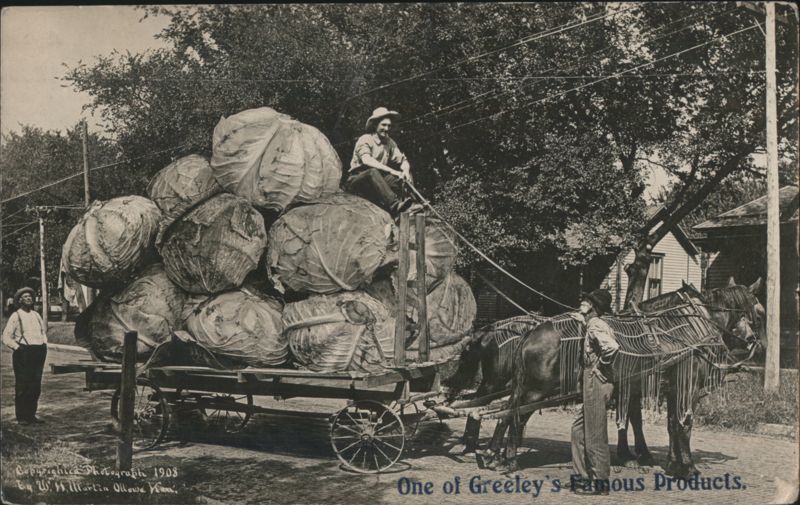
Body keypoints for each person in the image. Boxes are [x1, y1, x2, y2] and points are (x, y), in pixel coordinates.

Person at [570, 288, 618, 495]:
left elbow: (612, 347)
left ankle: (601, 483)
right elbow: (588, 324)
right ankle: (581, 478)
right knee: (578, 431)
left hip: (596, 380)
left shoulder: (596, 324)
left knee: (595, 434)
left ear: (593, 307)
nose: (582, 301)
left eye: (587, 300)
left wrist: (600, 366)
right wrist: (581, 318)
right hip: (592, 379)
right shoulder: (592, 323)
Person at [346, 107, 421, 215]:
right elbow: (367, 160)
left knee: (402, 177)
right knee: (372, 172)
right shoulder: (365, 139)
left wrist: (405, 170)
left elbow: (403, 160)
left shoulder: (389, 142)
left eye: (389, 126)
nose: (387, 128)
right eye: (383, 125)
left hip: (378, 181)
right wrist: (392, 171)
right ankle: (395, 206)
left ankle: (412, 203)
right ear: (375, 125)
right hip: (357, 181)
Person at [2, 287, 48, 425]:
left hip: (38, 351)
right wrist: (17, 348)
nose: (29, 298)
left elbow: (42, 331)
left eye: (30, 296)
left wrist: (44, 343)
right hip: (23, 353)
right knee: (23, 385)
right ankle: (22, 417)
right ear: (20, 300)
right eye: (26, 297)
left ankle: (31, 415)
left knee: (35, 385)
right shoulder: (16, 315)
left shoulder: (36, 315)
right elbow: (5, 336)